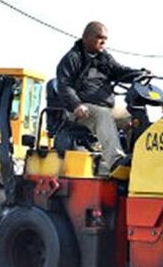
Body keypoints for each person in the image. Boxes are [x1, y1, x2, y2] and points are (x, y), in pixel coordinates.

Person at [56, 21, 146, 174]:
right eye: (99, 37)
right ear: (86, 37)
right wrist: (76, 104)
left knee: (133, 117)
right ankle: (116, 161)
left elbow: (119, 71)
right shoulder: (73, 58)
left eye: (105, 38)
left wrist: (139, 73)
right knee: (102, 115)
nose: (103, 41)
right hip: (80, 109)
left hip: (105, 107)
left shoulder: (103, 57)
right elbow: (64, 86)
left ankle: (139, 160)